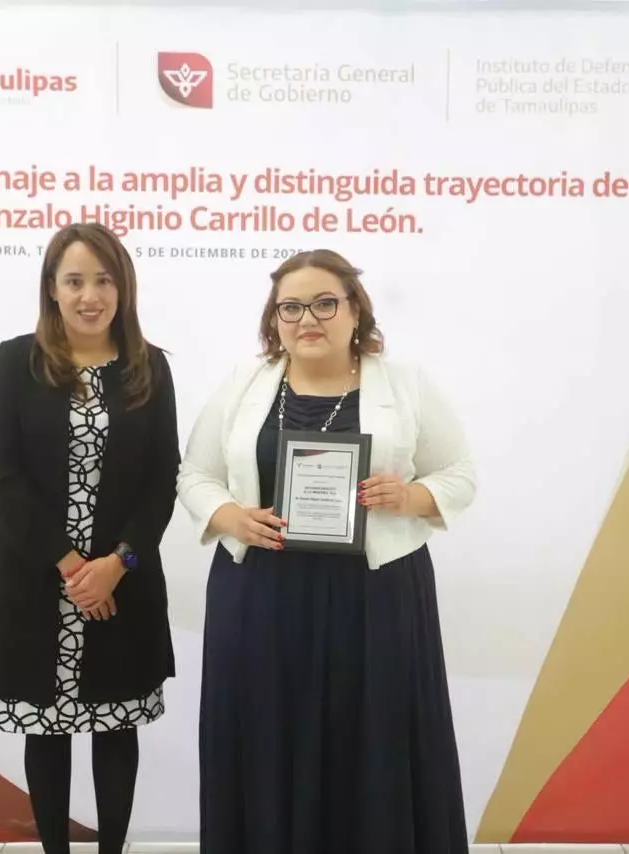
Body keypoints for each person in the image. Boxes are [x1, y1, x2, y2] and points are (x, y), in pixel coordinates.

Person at [177, 249, 476, 854]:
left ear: (355, 310)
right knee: (265, 737)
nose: (306, 319)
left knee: (374, 741)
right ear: (274, 318)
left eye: (324, 303)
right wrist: (232, 516)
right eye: (290, 307)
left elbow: (460, 475)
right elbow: (195, 476)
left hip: (377, 596)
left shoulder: (406, 382)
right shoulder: (244, 383)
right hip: (261, 593)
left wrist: (411, 496)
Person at [0, 223, 179, 854]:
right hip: (36, 581)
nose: (90, 295)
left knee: (116, 725)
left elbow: (162, 481)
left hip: (121, 585)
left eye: (104, 280)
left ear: (123, 287)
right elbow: (2, 477)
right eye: (75, 281)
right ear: (52, 289)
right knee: (48, 730)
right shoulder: (16, 361)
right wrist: (72, 566)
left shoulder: (150, 366)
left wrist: (117, 563)